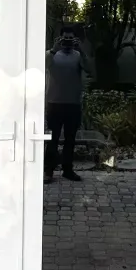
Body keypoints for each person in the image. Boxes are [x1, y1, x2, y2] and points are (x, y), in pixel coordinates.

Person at [44, 25, 86, 182]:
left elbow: (90, 70)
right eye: (65, 38)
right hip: (54, 103)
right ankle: (48, 171)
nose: (68, 41)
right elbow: (42, 67)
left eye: (70, 38)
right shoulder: (51, 54)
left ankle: (67, 170)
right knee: (52, 139)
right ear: (59, 38)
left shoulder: (78, 55)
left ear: (75, 39)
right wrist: (53, 50)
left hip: (73, 103)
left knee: (70, 140)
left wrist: (82, 51)